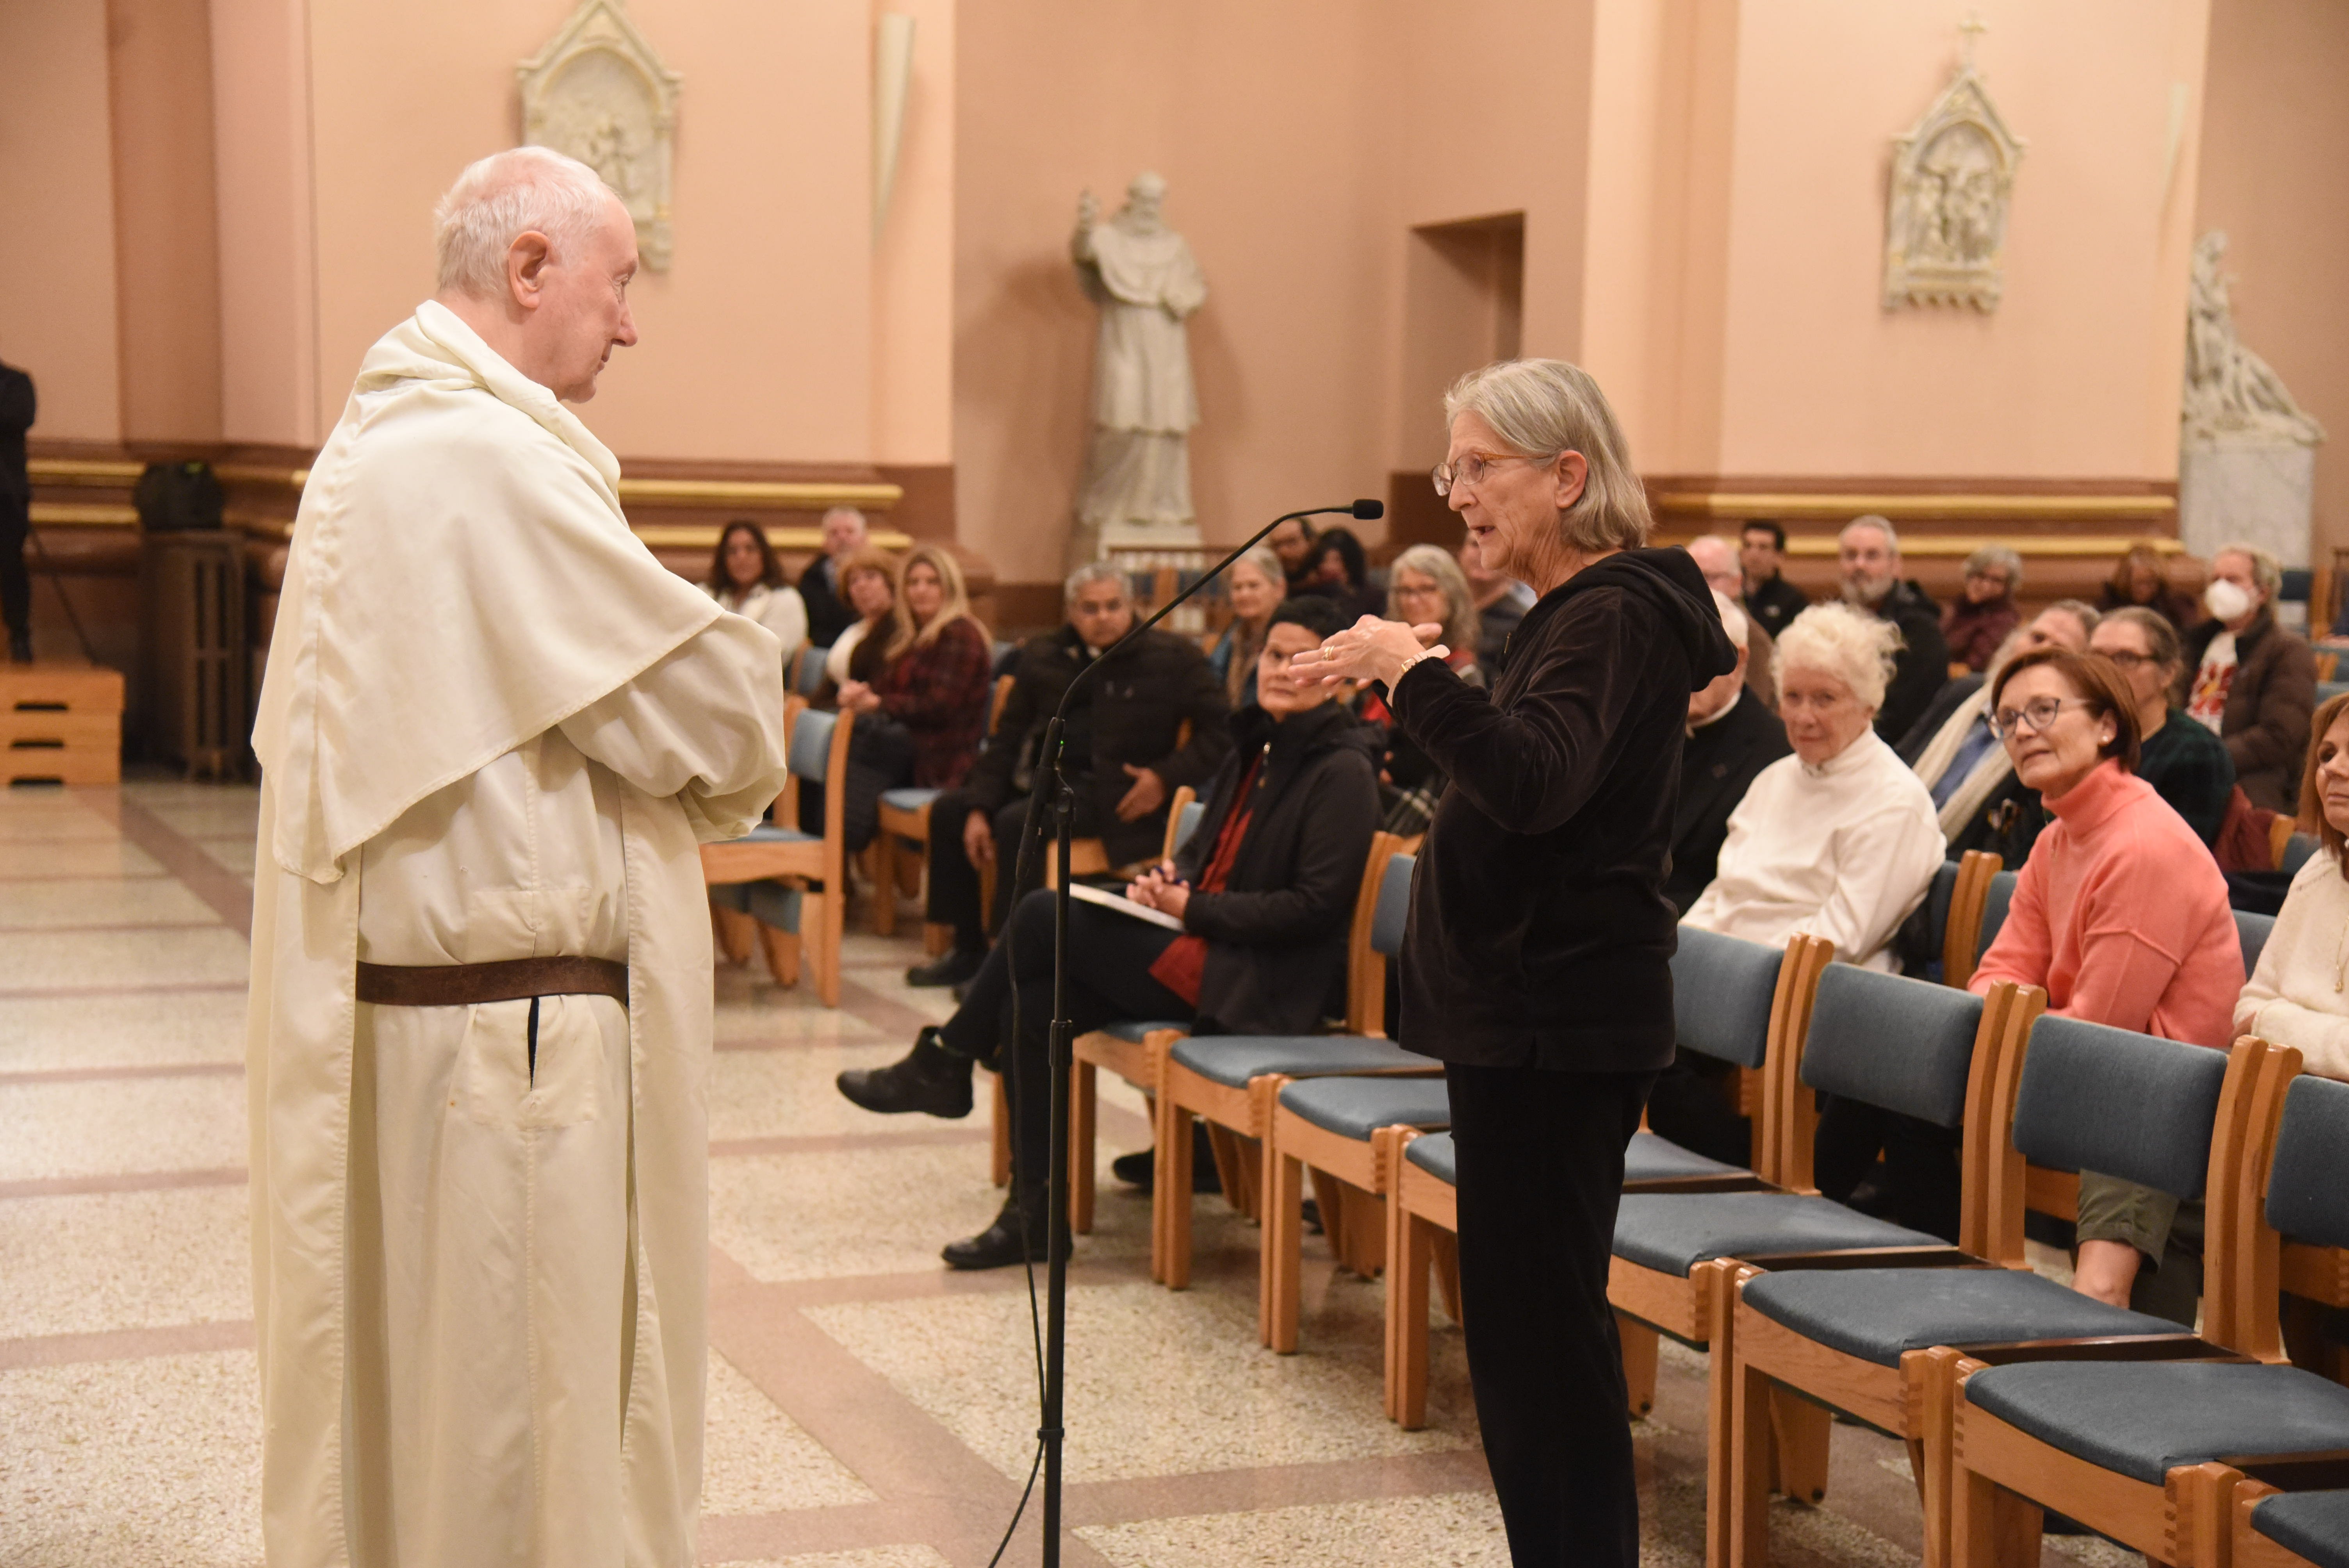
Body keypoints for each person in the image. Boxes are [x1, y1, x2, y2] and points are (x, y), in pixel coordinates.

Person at [245, 147, 790, 1568]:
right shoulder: (473, 460)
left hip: (462, 1034)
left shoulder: (388, 448)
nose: (628, 325)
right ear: (530, 266)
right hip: (509, 1049)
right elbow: (719, 714)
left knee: (445, 1406)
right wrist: (738, 706)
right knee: (527, 1423)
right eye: (616, 284)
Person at [1302, 358, 1736, 1568]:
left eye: (1479, 467)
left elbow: (1533, 784)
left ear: (1567, 473)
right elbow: (1517, 778)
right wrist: (1396, 681)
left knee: (1543, 1338)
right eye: (1451, 470)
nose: (1458, 495)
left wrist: (1412, 672)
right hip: (1525, 1016)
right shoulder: (1575, 614)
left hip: (1558, 1016)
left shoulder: (1611, 612)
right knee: (1520, 1334)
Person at [840, 595, 1378, 1267]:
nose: (1277, 669)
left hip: (1260, 984)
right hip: (1210, 947)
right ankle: (1033, 1215)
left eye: (1301, 658)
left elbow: (1314, 908)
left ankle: (946, 1059)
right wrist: (1166, 882)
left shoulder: (1343, 770)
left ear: (1346, 677)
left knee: (1041, 911)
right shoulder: (1257, 743)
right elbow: (1204, 855)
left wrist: (1192, 910)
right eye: (1272, 654)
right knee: (1034, 1004)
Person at [1968, 647, 2244, 1325]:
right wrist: (2003, 1021)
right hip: (2100, 1081)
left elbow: (2103, 1030)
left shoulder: (2143, 844)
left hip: (2161, 1100)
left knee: (2099, 1292)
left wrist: (2010, 1029)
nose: (2022, 730)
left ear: (2106, 727)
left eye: (2043, 709)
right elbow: (1998, 975)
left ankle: (2097, 1402)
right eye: (2007, 719)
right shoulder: (2059, 836)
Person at [907, 561, 1232, 987]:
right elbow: (1008, 735)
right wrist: (979, 804)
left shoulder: (1173, 656)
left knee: (1017, 824)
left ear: (1131, 605)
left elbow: (1222, 731)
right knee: (951, 810)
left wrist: (1164, 776)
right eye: (1090, 608)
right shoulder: (1044, 653)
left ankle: (1009, 964)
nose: (1103, 617)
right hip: (1044, 778)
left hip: (1118, 795)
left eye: (1113, 606)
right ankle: (968, 949)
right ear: (1071, 612)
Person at [1682, 602, 1945, 971]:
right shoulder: (1773, 780)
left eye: (1826, 699)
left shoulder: (1896, 801)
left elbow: (1839, 941)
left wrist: (1728, 974)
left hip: (1815, 999)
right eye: (1792, 697)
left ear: (1869, 703)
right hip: (1727, 974)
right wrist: (1680, 956)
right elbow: (1724, 893)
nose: (1804, 717)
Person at [1641, 590, 1791, 1169]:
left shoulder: (1771, 750)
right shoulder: (1656, 724)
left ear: (1742, 663)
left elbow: (1739, 880)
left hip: (1706, 947)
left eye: (1710, 654)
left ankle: (1732, 1173)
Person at [1898, 601, 2099, 866]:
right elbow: (1901, 761)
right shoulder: (1964, 692)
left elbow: (2005, 854)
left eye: (2057, 649)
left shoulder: (2054, 746)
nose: (2039, 650)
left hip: (1949, 876)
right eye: (2037, 637)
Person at [834, 545, 993, 852]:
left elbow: (940, 706)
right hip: (914, 748)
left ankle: (837, 849)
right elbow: (891, 691)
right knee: (846, 735)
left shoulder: (960, 633)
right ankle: (833, 847)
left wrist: (879, 704)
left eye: (932, 582)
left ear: (950, 587)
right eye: (913, 582)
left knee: (863, 742)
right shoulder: (914, 636)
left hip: (944, 758)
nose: (921, 590)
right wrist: (866, 696)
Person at [2237, 692, 2349, 1081]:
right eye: (2326, 754)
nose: (2334, 767)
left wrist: (2274, 1023)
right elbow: (2248, 1008)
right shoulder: (2317, 871)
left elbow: (2258, 1020)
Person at [1665, 591, 1789, 914]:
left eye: (1700, 655)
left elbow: (1741, 887)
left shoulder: (1775, 750)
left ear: (1739, 661)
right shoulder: (1644, 724)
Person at [2185, 541, 2317, 812]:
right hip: (2188, 768)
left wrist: (2206, 758)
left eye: (2232, 579)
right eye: (2215, 579)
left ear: (2262, 592)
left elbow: (2279, 736)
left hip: (2249, 783)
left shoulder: (2287, 650)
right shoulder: (2195, 643)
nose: (2220, 588)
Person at [1365, 543, 1486, 835]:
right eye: (1405, 591)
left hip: (1423, 798)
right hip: (1369, 776)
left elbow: (1431, 763)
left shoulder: (1463, 671)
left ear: (1452, 596)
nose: (1414, 600)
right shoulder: (1386, 657)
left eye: (1427, 589)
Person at [2090, 606, 2234, 847]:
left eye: (2126, 658)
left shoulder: (2197, 752)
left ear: (2167, 674)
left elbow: (2178, 856)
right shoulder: (2079, 737)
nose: (2106, 670)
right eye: (2095, 658)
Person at [1838, 514, 1948, 741]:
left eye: (1872, 556)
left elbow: (1902, 720)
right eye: (1851, 556)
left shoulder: (1921, 632)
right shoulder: (1830, 620)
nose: (1860, 565)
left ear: (1895, 565)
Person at [1686, 533, 1777, 709]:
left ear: (1737, 583)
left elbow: (1758, 707)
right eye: (1689, 577)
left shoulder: (1754, 640)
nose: (1695, 588)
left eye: (1709, 577)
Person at [703, 518, 809, 655]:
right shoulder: (705, 594)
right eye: (732, 551)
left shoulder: (785, 599)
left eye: (750, 549)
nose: (741, 557)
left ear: (764, 555)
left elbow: (774, 653)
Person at [1207, 545, 1284, 708]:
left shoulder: (1291, 636)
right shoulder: (1232, 635)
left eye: (1253, 586)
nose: (1244, 595)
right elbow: (1211, 683)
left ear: (1279, 589)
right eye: (1238, 587)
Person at [820, 545, 899, 690]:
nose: (861, 586)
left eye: (871, 576)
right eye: (853, 581)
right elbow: (830, 686)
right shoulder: (857, 628)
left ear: (890, 582)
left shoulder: (898, 629)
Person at [1461, 529, 1535, 672]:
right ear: (1461, 552)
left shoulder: (1521, 623)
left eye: (1494, 546)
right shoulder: (1445, 610)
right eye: (1475, 545)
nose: (1482, 552)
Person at [1943, 544, 2023, 673]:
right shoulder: (1957, 607)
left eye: (1996, 580)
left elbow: (1975, 665)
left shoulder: (2004, 619)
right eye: (1981, 576)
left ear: (2007, 587)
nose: (1986, 586)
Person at [798, 505, 870, 647]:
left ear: (864, 539)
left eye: (850, 531)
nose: (842, 538)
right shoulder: (811, 579)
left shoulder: (881, 577)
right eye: (834, 533)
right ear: (825, 542)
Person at [0, 357, 32, 662]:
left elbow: (19, 416)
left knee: (10, 565)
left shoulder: (16, 382)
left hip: (6, 493)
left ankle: (20, 634)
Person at [1739, 518, 1809, 639]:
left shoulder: (1793, 601)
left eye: (1763, 547)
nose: (1754, 555)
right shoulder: (1730, 593)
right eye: (1748, 546)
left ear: (1779, 556)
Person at [1296, 524, 1383, 621]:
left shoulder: (1372, 597)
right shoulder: (1308, 594)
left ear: (1351, 563)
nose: (1328, 567)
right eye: (1324, 560)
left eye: (1337, 560)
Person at [2098, 540, 2192, 628]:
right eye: (2139, 583)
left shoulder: (2172, 608)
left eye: (2150, 583)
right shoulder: (2110, 607)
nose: (2144, 589)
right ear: (2127, 581)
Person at [1266, 513, 1319, 593]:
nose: (1283, 552)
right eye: (1276, 545)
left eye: (1291, 542)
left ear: (1311, 542)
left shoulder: (1330, 584)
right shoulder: (1270, 590)